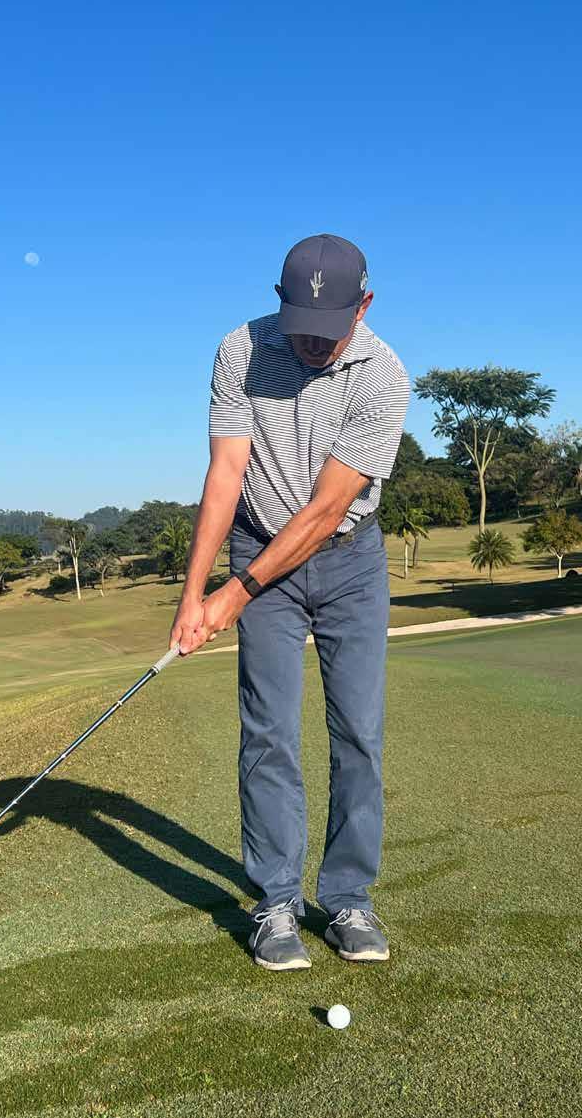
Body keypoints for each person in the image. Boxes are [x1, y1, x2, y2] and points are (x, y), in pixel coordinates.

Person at [170, 233, 410, 971]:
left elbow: (324, 511)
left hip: (348, 561)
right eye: (302, 326)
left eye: (329, 329)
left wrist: (234, 594)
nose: (314, 343)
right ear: (279, 302)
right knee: (268, 731)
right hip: (256, 545)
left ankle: (347, 898)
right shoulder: (240, 350)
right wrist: (193, 595)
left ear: (363, 306)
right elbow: (225, 473)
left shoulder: (384, 375)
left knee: (358, 733)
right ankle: (274, 901)